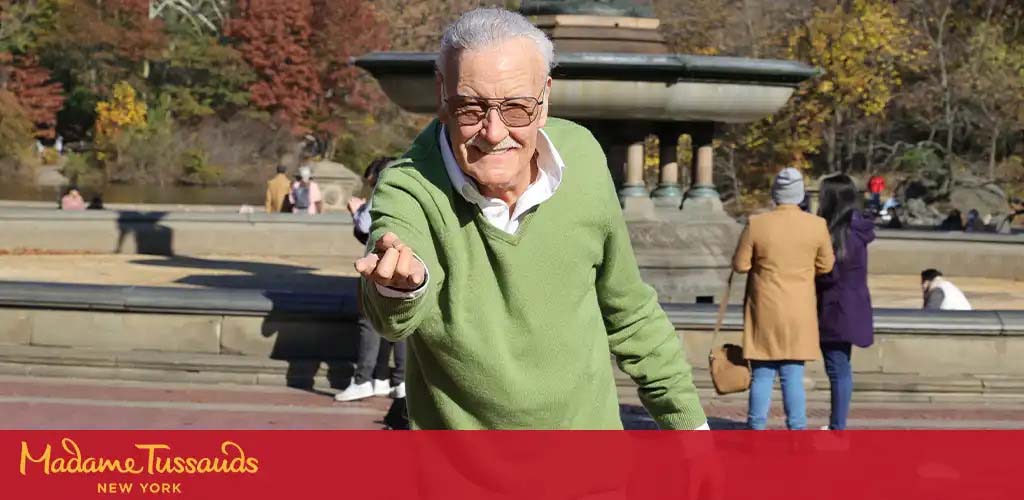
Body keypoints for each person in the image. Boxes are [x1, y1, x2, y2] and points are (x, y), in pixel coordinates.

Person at [354, 8, 707, 430]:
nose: (493, 131)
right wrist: (401, 288)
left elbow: (629, 310)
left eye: (517, 108)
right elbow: (392, 317)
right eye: (471, 107)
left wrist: (691, 431)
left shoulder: (583, 156)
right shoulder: (406, 186)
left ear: (545, 100)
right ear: (441, 96)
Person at [732, 167, 835, 430]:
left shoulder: (758, 223)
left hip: (764, 309)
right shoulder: (817, 225)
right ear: (800, 195)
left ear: (775, 193)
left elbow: (741, 265)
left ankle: (755, 429)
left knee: (762, 375)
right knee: (792, 375)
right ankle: (797, 431)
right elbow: (826, 265)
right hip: (799, 309)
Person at [336, 156, 408, 403]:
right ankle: (392, 380)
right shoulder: (408, 194)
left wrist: (356, 212)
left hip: (377, 267)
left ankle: (363, 380)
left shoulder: (383, 193)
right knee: (398, 324)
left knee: (369, 323)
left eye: (371, 181)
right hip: (403, 266)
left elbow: (366, 228)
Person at [815, 174, 875, 430]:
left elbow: (830, 273)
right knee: (842, 367)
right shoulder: (858, 229)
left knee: (837, 368)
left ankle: (837, 427)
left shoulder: (839, 233)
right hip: (853, 306)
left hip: (835, 308)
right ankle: (837, 424)